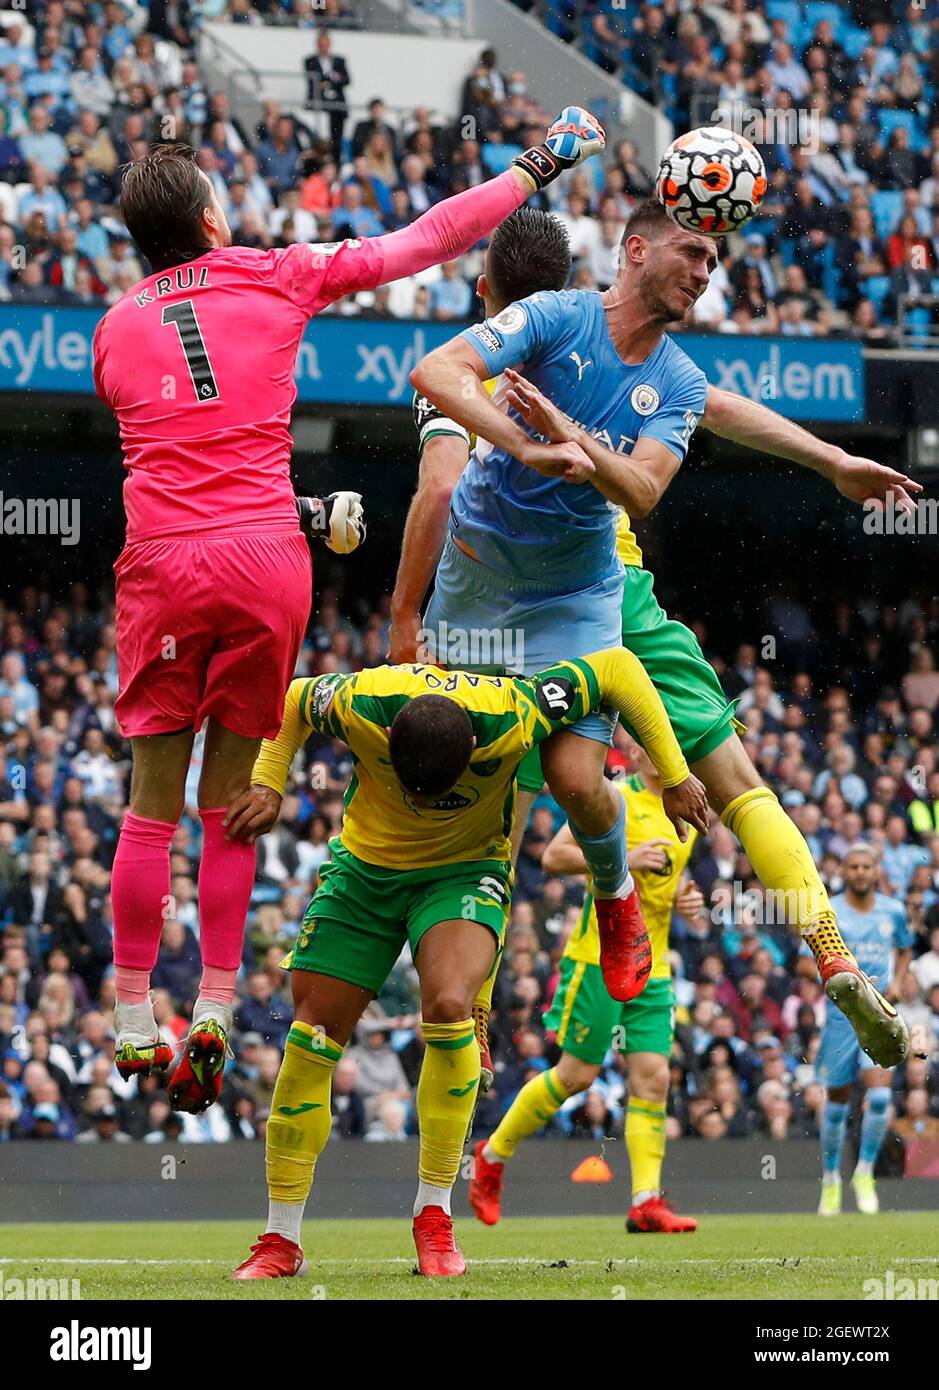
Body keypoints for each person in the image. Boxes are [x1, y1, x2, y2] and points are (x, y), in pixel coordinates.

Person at [92, 112, 606, 1112]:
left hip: (163, 566)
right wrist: (536, 166)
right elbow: (424, 240)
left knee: (151, 805)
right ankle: (216, 1005)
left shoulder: (114, 333)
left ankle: (128, 1016)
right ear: (209, 217)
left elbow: (178, 456)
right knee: (232, 795)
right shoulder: (277, 272)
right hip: (266, 565)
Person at [401, 197, 922, 1077]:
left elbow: (442, 495)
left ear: (485, 290)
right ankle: (830, 950)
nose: (707, 268)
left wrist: (406, 619)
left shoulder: (506, 361)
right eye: (695, 252)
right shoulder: (561, 341)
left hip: (546, 607)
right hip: (617, 596)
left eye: (711, 257)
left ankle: (473, 1013)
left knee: (509, 808)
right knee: (740, 784)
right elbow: (719, 407)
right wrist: (830, 462)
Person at [226, 643, 706, 1279]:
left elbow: (617, 666)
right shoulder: (361, 699)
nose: (425, 801)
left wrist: (674, 774)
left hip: (462, 871)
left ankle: (434, 1214)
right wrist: (268, 778)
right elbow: (290, 697)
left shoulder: (515, 710)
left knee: (451, 1005)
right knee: (312, 1034)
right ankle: (279, 1238)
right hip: (364, 871)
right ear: (386, 737)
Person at [469, 744, 702, 1233]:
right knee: (577, 1075)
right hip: (598, 958)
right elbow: (554, 856)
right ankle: (491, 1157)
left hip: (653, 966)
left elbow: (669, 877)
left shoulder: (684, 806)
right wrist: (629, 855)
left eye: (673, 743)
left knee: (654, 1079)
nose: (664, 752)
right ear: (636, 753)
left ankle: (645, 1201)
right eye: (654, 744)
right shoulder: (611, 798)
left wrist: (686, 897)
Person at [817, 844, 912, 1217]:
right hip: (841, 1017)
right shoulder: (830, 912)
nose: (859, 872)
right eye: (853, 866)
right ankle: (829, 1179)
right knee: (837, 1101)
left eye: (865, 867)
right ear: (843, 870)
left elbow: (904, 948)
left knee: (879, 1098)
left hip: (881, 1015)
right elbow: (808, 962)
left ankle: (864, 1173)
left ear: (876, 870)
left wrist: (900, 979)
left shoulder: (893, 910)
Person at [304, 29, 350, 161]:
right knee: (320, 138)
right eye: (321, 44)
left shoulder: (339, 61)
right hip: (320, 104)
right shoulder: (310, 61)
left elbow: (346, 79)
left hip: (337, 106)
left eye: (326, 44)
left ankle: (335, 163)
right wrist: (335, 79)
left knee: (336, 138)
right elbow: (313, 80)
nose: (324, 47)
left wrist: (329, 83)